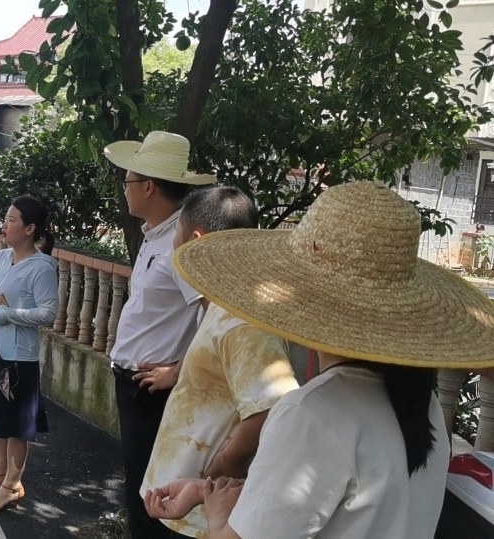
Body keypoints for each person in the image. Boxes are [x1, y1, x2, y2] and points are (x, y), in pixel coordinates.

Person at [143, 181, 494, 538]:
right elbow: (332, 504)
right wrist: (204, 491)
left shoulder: (311, 415)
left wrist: (219, 516)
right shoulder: (423, 405)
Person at [141, 186, 299, 538]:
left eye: (176, 237)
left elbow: (272, 408)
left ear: (196, 241)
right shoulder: (225, 303)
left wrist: (219, 470)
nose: (173, 250)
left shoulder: (242, 320)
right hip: (187, 500)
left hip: (204, 514)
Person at [102, 130, 217, 538]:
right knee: (139, 487)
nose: (125, 189)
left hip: (152, 390)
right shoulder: (155, 235)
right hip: (132, 382)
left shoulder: (179, 244)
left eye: (128, 181)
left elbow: (213, 313)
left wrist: (178, 371)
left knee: (151, 499)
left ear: (148, 186)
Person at [0, 195, 59, 512]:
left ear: (30, 229)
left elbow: (48, 313)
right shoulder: (1, 257)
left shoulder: (42, 267)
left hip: (20, 358)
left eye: (11, 220)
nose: (4, 225)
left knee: (16, 425)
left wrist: (7, 315)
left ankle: (11, 485)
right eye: (5, 219)